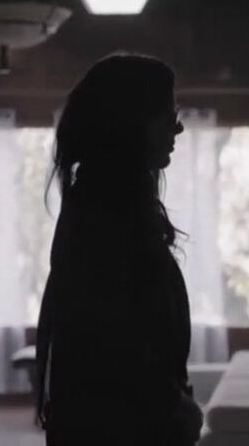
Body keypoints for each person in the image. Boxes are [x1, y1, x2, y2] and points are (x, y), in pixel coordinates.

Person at [35, 53, 203, 445]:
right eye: (167, 115)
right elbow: (114, 353)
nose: (178, 127)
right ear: (130, 124)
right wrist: (175, 408)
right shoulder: (103, 218)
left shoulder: (104, 206)